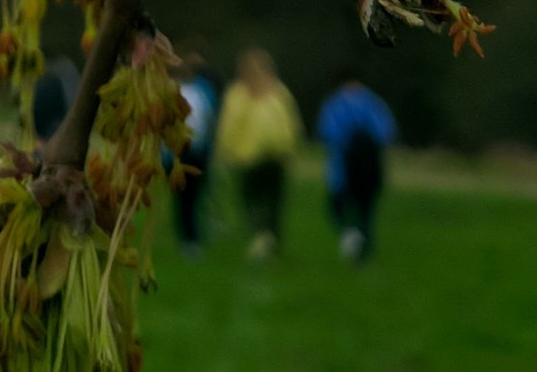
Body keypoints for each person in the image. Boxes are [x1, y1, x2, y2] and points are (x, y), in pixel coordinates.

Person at [216, 49, 302, 258]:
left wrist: (288, 150)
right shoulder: (248, 94)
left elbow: (289, 124)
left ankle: (266, 239)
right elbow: (230, 125)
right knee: (256, 200)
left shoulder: (273, 93)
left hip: (269, 158)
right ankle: (264, 237)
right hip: (251, 158)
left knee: (268, 201)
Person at [316, 72, 399, 261]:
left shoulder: (335, 104)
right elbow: (386, 131)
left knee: (338, 208)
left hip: (343, 170)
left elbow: (327, 132)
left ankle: (351, 237)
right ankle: (365, 251)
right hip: (370, 170)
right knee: (366, 213)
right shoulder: (372, 103)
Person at [170, 51, 221, 253]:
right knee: (184, 195)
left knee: (197, 193)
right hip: (177, 152)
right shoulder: (173, 89)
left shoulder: (203, 89)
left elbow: (211, 117)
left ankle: (195, 231)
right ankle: (188, 235)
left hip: (199, 150)